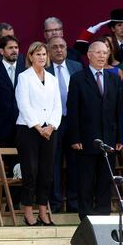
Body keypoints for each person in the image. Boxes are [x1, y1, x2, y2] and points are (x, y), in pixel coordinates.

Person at [67, 41, 123, 221]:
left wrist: (120, 136)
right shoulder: (77, 78)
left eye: (105, 53)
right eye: (98, 52)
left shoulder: (113, 78)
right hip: (86, 138)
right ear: (89, 55)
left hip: (109, 138)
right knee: (86, 179)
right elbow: (73, 110)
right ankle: (86, 216)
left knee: (105, 179)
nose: (101, 56)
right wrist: (75, 137)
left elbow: (119, 109)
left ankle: (103, 215)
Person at [15, 41, 62, 226]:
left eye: (44, 54)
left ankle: (43, 211)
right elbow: (23, 104)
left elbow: (57, 105)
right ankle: (27, 212)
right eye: (38, 54)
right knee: (31, 172)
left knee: (46, 173)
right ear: (30, 57)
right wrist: (38, 127)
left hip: (50, 131)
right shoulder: (24, 77)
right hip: (29, 130)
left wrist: (51, 126)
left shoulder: (52, 78)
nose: (41, 57)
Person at [0, 35, 25, 210]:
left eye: (16, 47)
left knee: (18, 167)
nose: (14, 51)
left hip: (20, 127)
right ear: (1, 51)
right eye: (10, 48)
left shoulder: (25, 71)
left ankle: (15, 203)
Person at [46, 37, 82, 213]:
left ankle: (74, 202)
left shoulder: (76, 67)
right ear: (48, 50)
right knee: (54, 163)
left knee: (75, 163)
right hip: (52, 122)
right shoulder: (43, 69)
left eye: (62, 46)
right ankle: (56, 203)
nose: (59, 50)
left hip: (73, 121)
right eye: (55, 47)